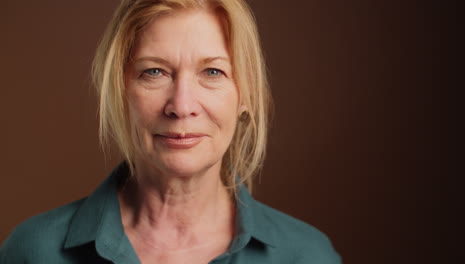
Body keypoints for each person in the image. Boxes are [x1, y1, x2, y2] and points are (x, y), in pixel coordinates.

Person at [0, 0, 341, 263]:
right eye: (154, 72)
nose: (181, 105)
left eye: (212, 72)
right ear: (121, 91)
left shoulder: (308, 255)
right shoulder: (34, 251)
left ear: (245, 96)